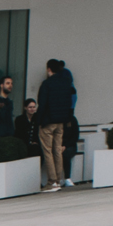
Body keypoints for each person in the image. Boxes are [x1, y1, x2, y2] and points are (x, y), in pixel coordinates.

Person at [35, 55, 77, 188]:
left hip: (48, 121)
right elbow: (70, 103)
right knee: (57, 151)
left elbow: (42, 104)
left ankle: (52, 181)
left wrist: (38, 121)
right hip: (61, 122)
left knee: (48, 151)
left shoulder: (47, 84)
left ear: (49, 69)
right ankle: (59, 179)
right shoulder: (66, 84)